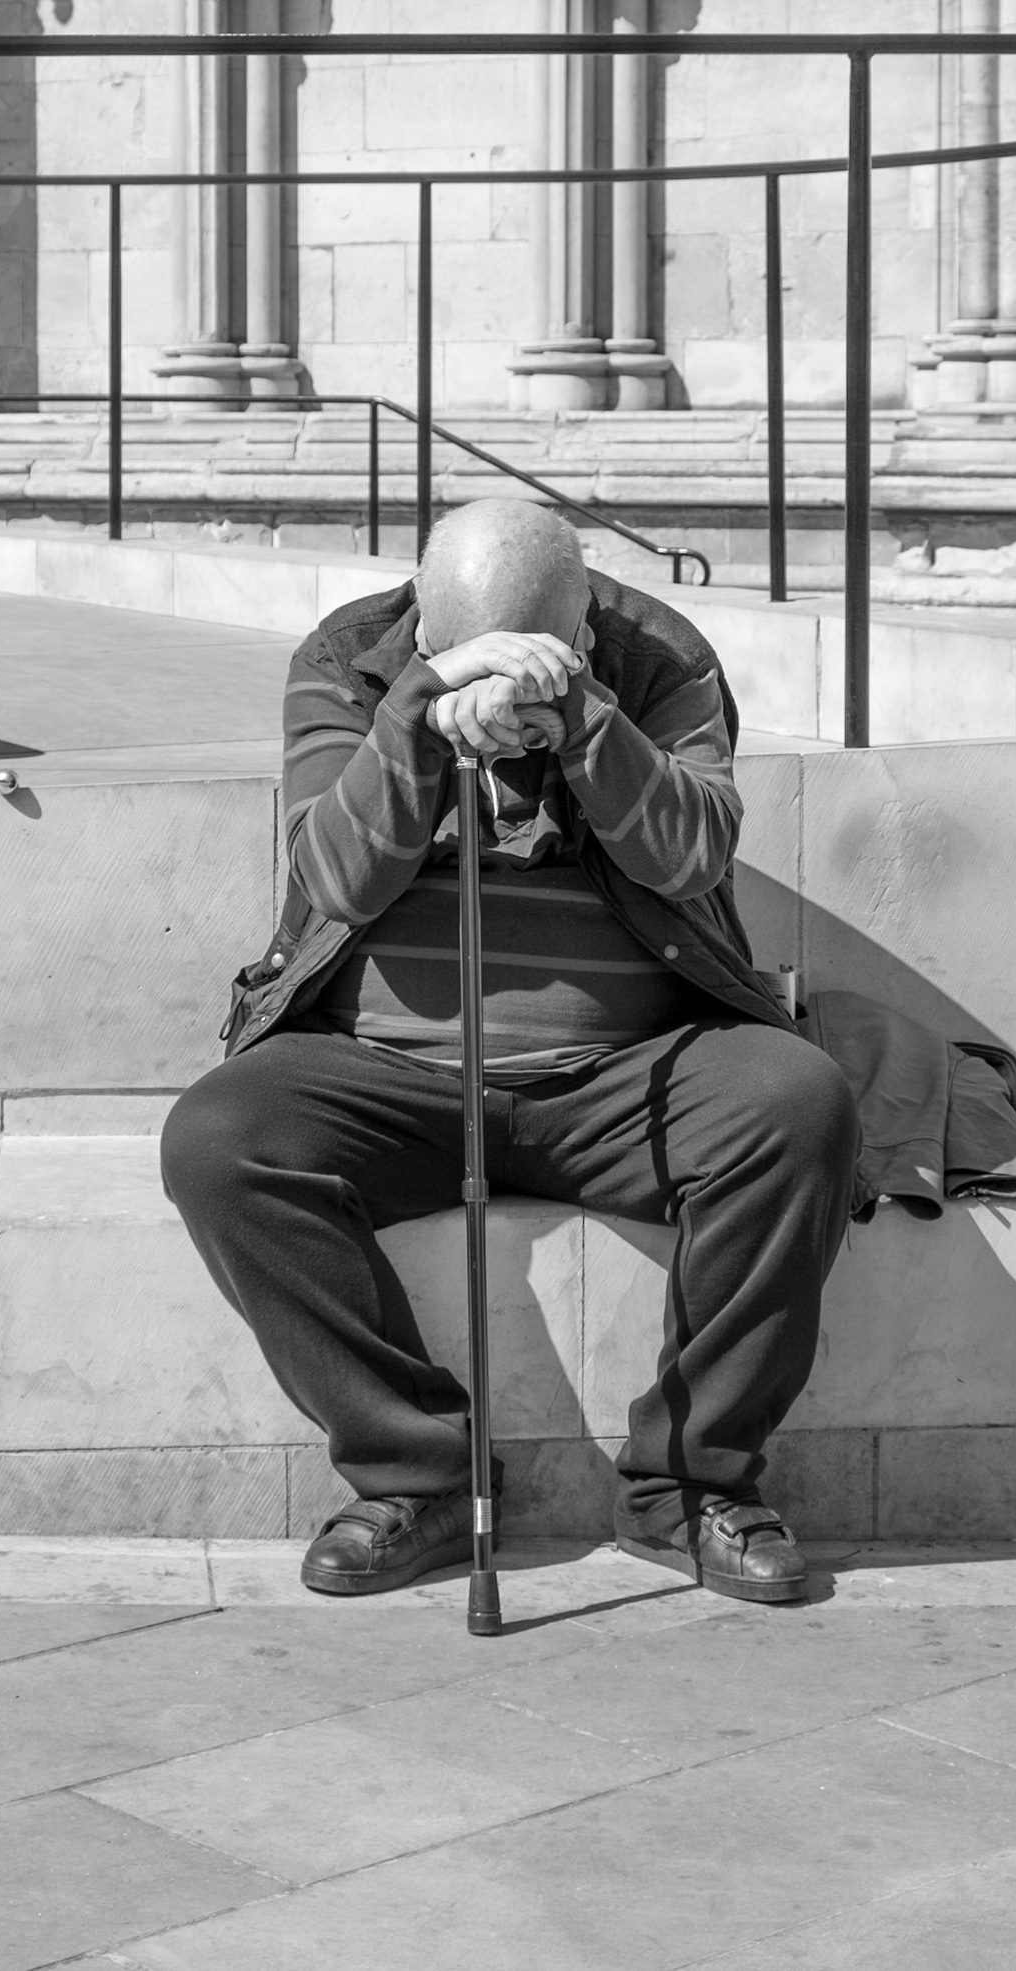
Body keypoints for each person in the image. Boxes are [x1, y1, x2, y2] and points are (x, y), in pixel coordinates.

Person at [162, 498, 859, 1605]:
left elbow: (693, 853)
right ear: (425, 625)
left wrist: (584, 721)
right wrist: (419, 718)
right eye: (457, 655)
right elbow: (332, 877)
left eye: (556, 652)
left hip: (634, 1071)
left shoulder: (661, 660)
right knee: (219, 1141)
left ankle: (687, 1488)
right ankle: (417, 1477)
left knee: (799, 1107)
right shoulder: (349, 658)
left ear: (586, 624)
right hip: (387, 1073)